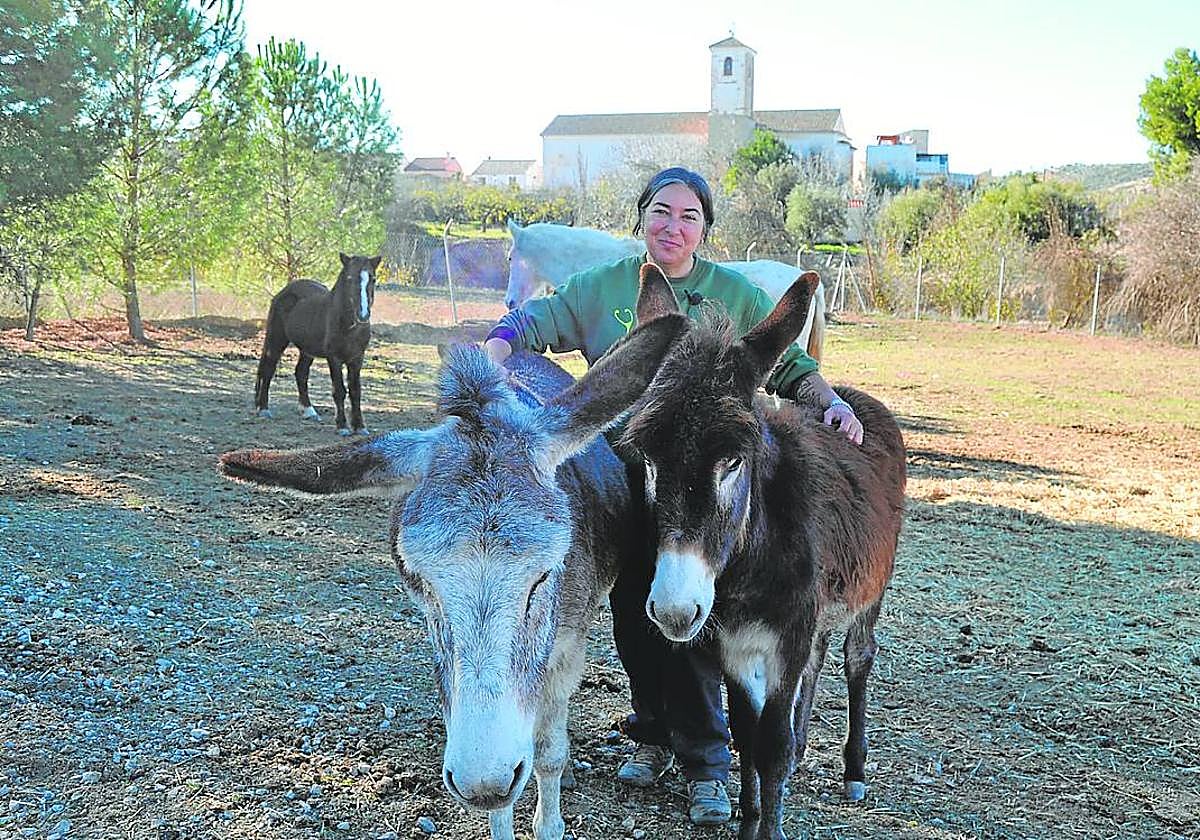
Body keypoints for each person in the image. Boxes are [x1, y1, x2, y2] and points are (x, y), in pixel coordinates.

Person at [484, 166, 862, 825]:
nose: (673, 226)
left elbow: (794, 366)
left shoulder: (730, 293)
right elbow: (536, 320)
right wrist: (498, 344)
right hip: (629, 480)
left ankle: (708, 763)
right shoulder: (606, 286)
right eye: (662, 211)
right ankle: (656, 731)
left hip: (704, 494)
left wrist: (831, 404)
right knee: (636, 620)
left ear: (706, 229)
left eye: (689, 216)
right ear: (642, 216)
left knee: (696, 626)